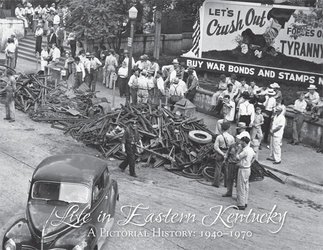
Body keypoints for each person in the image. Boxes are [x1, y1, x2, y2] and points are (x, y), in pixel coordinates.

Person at [212, 121, 235, 188]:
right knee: (227, 169)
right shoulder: (231, 137)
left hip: (220, 153)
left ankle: (216, 183)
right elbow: (232, 148)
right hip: (227, 153)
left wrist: (222, 153)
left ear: (222, 128)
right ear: (228, 128)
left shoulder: (219, 137)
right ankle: (226, 184)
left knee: (218, 168)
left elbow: (216, 147)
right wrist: (226, 154)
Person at [235, 135, 255, 210]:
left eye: (241, 141)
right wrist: (250, 163)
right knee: (246, 186)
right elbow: (254, 157)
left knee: (241, 186)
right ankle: (245, 202)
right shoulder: (251, 149)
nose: (240, 142)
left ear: (244, 142)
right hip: (248, 168)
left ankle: (241, 204)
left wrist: (238, 150)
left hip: (243, 169)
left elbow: (237, 157)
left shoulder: (245, 151)